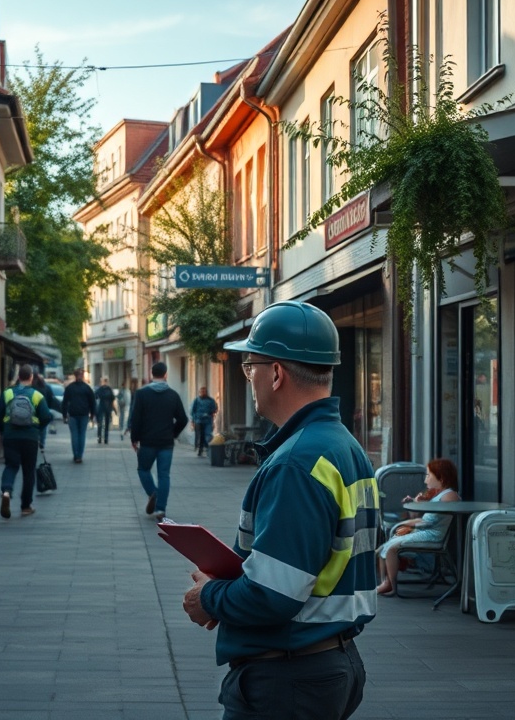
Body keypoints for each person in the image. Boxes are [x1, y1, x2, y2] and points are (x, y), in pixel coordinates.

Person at [182, 301, 377, 720]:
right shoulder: (344, 447)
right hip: (327, 663)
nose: (248, 376)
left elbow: (273, 595)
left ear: (275, 373)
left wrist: (209, 597)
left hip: (287, 678)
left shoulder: (297, 462)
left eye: (248, 365)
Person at [376, 458, 460, 597]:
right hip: (425, 530)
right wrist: (417, 504)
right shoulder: (438, 495)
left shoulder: (449, 496)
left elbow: (430, 521)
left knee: (391, 549)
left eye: (428, 475)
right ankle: (386, 581)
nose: (425, 480)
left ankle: (391, 585)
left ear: (441, 478)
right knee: (381, 549)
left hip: (432, 534)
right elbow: (420, 516)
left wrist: (412, 519)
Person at [128, 362, 188, 522]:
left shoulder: (142, 394)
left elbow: (136, 418)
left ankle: (152, 493)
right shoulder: (173, 395)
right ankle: (161, 508)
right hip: (166, 442)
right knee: (164, 475)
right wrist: (172, 433)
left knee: (143, 470)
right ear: (165, 374)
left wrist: (134, 438)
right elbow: (183, 419)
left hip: (147, 441)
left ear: (151, 373)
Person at [0, 364, 53, 518]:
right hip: (30, 438)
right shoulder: (37, 395)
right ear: (31, 378)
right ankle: (26, 506)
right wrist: (37, 429)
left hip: (11, 436)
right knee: (28, 472)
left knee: (11, 466)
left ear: (18, 377)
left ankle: (6, 490)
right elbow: (46, 416)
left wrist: (3, 429)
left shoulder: (7, 393)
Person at [61, 369, 96, 463]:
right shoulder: (87, 388)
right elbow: (92, 402)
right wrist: (92, 415)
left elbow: (64, 402)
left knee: (74, 435)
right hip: (84, 414)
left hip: (72, 414)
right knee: (82, 435)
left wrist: (64, 415)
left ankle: (76, 455)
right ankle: (80, 455)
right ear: (82, 376)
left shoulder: (70, 388)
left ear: (75, 376)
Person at [190, 385, 219, 457]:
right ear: (199, 392)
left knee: (208, 436)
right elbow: (192, 411)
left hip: (208, 421)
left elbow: (215, 408)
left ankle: (209, 450)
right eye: (201, 391)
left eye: (204, 391)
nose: (203, 393)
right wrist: (193, 420)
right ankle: (200, 450)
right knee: (200, 436)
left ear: (206, 392)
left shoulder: (211, 400)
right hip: (198, 421)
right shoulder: (196, 400)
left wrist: (209, 413)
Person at [94, 376, 116, 444]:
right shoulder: (109, 389)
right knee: (106, 424)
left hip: (101, 408)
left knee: (100, 423)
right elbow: (113, 399)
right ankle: (106, 438)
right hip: (108, 408)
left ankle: (99, 438)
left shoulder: (100, 389)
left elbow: (95, 397)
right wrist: (114, 409)